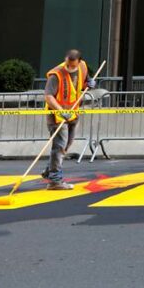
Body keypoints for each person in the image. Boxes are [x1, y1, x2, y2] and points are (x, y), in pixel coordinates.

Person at [41, 49, 95, 190]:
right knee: (59, 147)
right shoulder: (56, 74)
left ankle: (50, 170)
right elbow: (48, 96)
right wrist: (61, 111)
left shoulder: (82, 66)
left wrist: (89, 82)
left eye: (73, 66)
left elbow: (83, 82)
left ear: (78, 62)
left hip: (73, 112)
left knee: (65, 146)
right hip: (57, 116)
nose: (69, 68)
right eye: (67, 64)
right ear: (65, 59)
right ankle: (55, 181)